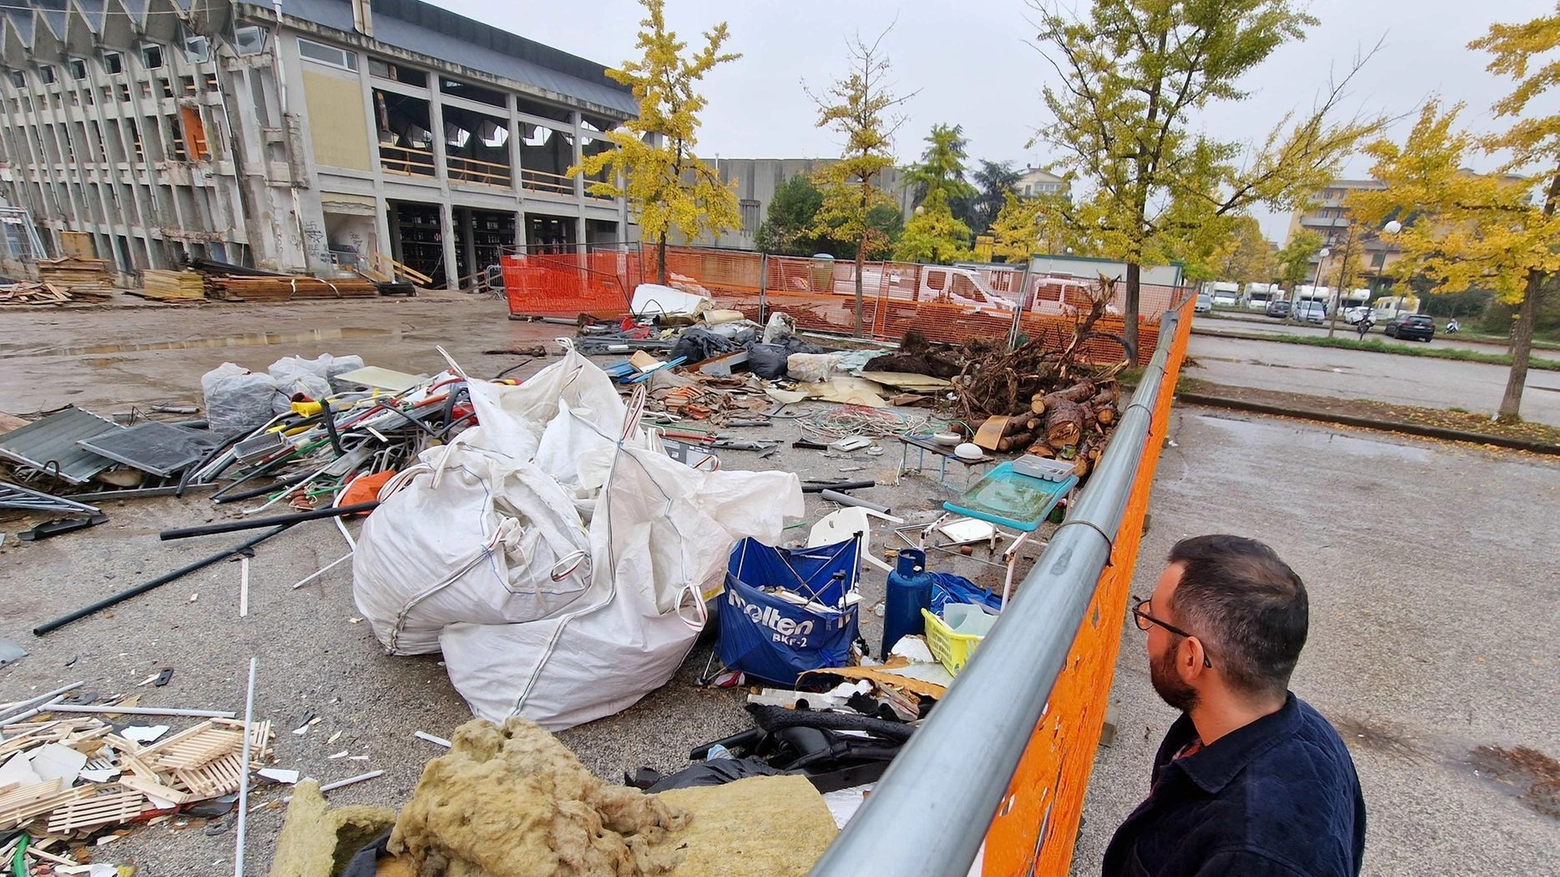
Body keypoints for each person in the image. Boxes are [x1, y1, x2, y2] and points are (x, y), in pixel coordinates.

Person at [1103, 535, 1365, 877]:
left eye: (1152, 617)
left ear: (1190, 658)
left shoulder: (1254, 856)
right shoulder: (1310, 731)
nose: (1146, 630)